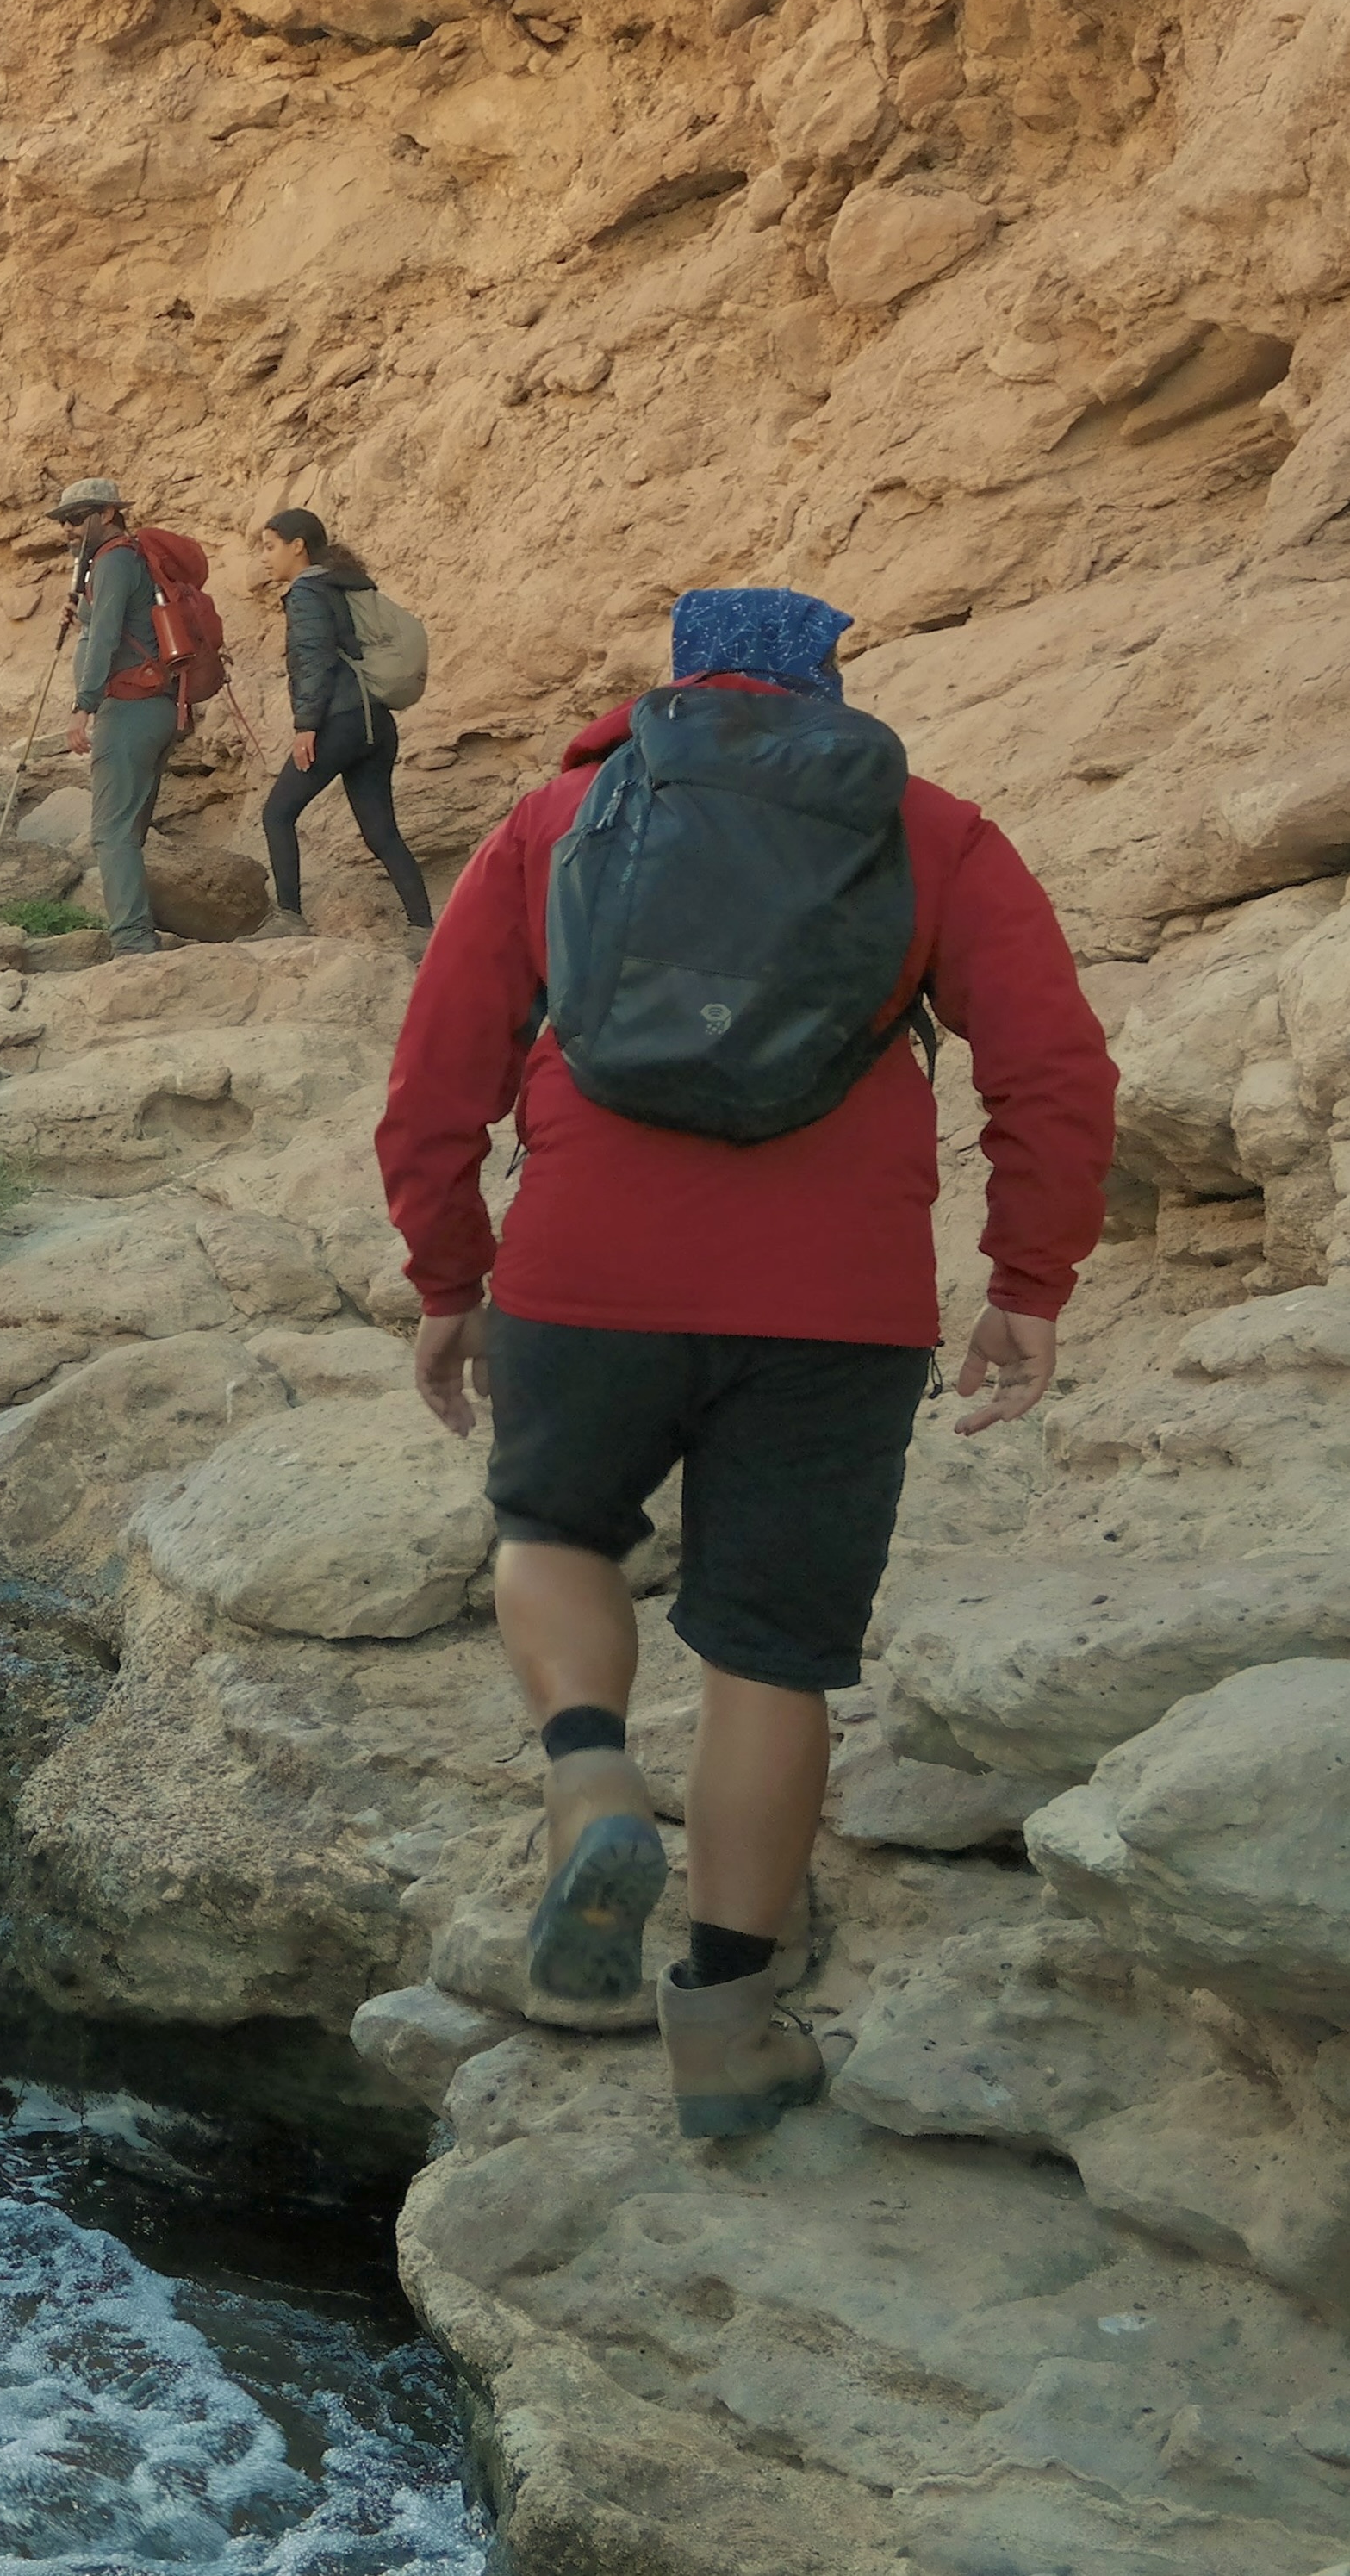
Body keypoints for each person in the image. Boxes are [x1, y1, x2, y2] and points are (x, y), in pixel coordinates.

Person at [376, 586, 1117, 2140]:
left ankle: (590, 1778)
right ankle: (724, 2035)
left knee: (553, 1532)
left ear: (678, 684)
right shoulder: (927, 829)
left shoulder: (558, 820)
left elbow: (437, 1073)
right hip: (837, 1300)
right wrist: (1026, 1280)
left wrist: (449, 1276)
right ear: (826, 690)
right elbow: (1052, 1067)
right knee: (771, 1655)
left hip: (586, 1269)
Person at [253, 510, 432, 942]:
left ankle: (289, 918)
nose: (264, 558)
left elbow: (314, 660)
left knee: (277, 813)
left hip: (341, 721)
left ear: (298, 546)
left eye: (270, 547)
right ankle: (424, 929)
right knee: (382, 833)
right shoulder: (343, 584)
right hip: (376, 722)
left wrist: (306, 726)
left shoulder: (307, 591)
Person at [59, 478, 177, 955]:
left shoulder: (112, 560)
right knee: (128, 832)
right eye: (63, 521)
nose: (67, 529)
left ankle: (132, 944)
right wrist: (83, 616)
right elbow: (120, 623)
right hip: (159, 707)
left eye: (75, 518)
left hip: (128, 709)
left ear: (107, 514)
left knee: (111, 833)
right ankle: (138, 932)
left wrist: (82, 706)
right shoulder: (132, 558)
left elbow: (107, 637)